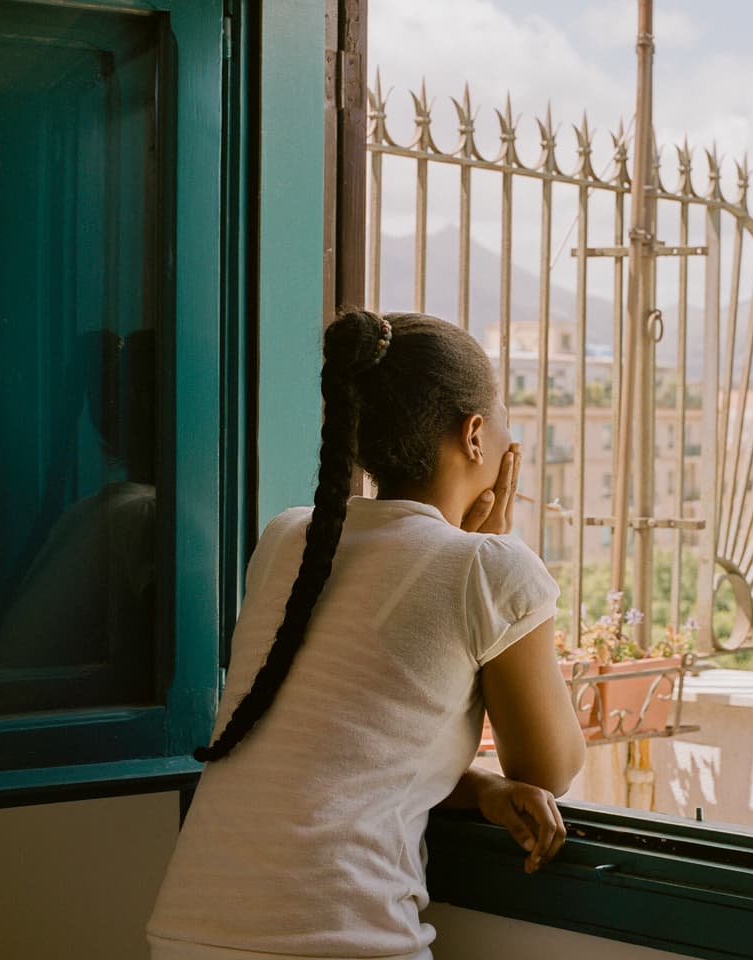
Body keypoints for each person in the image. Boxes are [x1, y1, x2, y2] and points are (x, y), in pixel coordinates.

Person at [147, 311, 586, 960]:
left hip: (188, 928)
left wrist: (485, 791)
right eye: (503, 423)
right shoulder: (489, 570)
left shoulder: (285, 541)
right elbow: (551, 768)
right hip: (336, 933)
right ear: (474, 435)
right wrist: (484, 557)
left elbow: (348, 746)